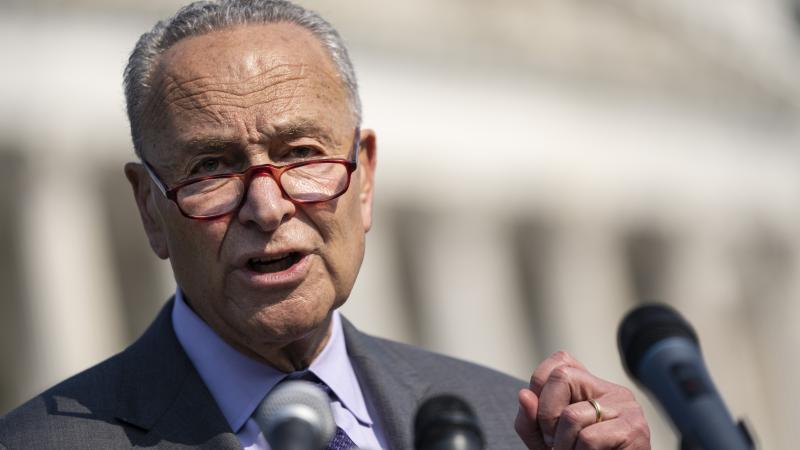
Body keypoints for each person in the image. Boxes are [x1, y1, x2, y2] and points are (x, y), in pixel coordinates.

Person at [0, 1, 650, 449]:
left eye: (302, 156)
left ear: (364, 178)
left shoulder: (505, 424)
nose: (268, 207)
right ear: (151, 209)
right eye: (212, 168)